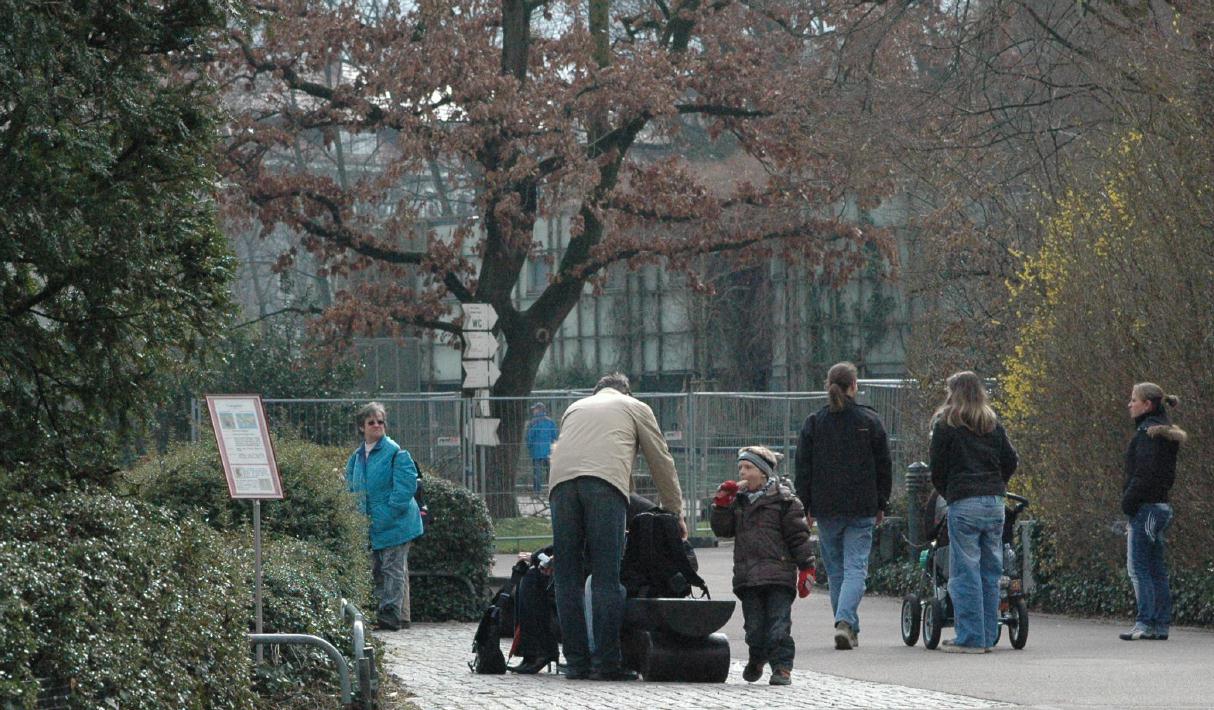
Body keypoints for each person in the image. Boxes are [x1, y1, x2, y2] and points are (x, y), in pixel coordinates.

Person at [547, 372, 686, 681]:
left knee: (566, 578)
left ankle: (576, 662)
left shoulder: (575, 407)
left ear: (597, 390)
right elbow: (660, 461)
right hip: (604, 487)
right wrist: (675, 512)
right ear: (626, 390)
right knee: (606, 578)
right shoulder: (635, 407)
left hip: (560, 486)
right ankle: (606, 663)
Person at [794, 362, 892, 650]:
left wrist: (806, 504)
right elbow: (884, 464)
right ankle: (846, 623)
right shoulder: (869, 421)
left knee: (836, 571)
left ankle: (847, 625)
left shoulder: (815, 422)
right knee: (855, 568)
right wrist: (881, 501)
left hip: (826, 508)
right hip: (862, 506)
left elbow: (804, 468)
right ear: (854, 386)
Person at [928, 371, 1018, 653]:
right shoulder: (992, 424)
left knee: (965, 572)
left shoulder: (946, 425)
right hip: (994, 502)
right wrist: (997, 484)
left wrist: (949, 490)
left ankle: (970, 637)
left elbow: (937, 468)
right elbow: (1011, 460)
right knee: (991, 572)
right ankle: (989, 635)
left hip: (963, 500)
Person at [710, 446, 815, 686]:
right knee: (754, 629)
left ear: (764, 473)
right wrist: (721, 505)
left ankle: (782, 667)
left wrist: (807, 567)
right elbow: (723, 530)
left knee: (779, 626)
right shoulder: (739, 501)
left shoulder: (785, 501)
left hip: (779, 575)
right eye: (740, 468)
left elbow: (798, 537)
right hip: (748, 578)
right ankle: (757, 658)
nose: (743, 473)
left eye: (748, 468)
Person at [345, 402, 424, 631]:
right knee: (379, 569)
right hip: (373, 524)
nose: (377, 425)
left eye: (380, 421)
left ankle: (390, 616)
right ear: (362, 427)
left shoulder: (395, 452)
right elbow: (350, 485)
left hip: (395, 523)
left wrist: (390, 511)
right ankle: (386, 613)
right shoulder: (357, 457)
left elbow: (406, 485)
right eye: (371, 422)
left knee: (392, 569)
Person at [1119, 383, 1186, 641]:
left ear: (1147, 405)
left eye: (1133, 399)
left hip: (1145, 508)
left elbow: (1144, 474)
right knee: (1156, 567)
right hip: (1160, 507)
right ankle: (1160, 624)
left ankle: (1145, 622)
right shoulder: (1163, 434)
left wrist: (1128, 503)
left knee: (1139, 568)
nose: (1130, 404)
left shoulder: (1146, 435)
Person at [524, 402, 559, 493]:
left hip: (536, 451)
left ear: (538, 410)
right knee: (550, 472)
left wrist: (529, 447)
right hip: (549, 451)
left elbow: (529, 436)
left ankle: (537, 491)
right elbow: (554, 436)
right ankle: (551, 490)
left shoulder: (533, 422)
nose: (533, 411)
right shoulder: (550, 422)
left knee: (537, 473)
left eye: (534, 409)